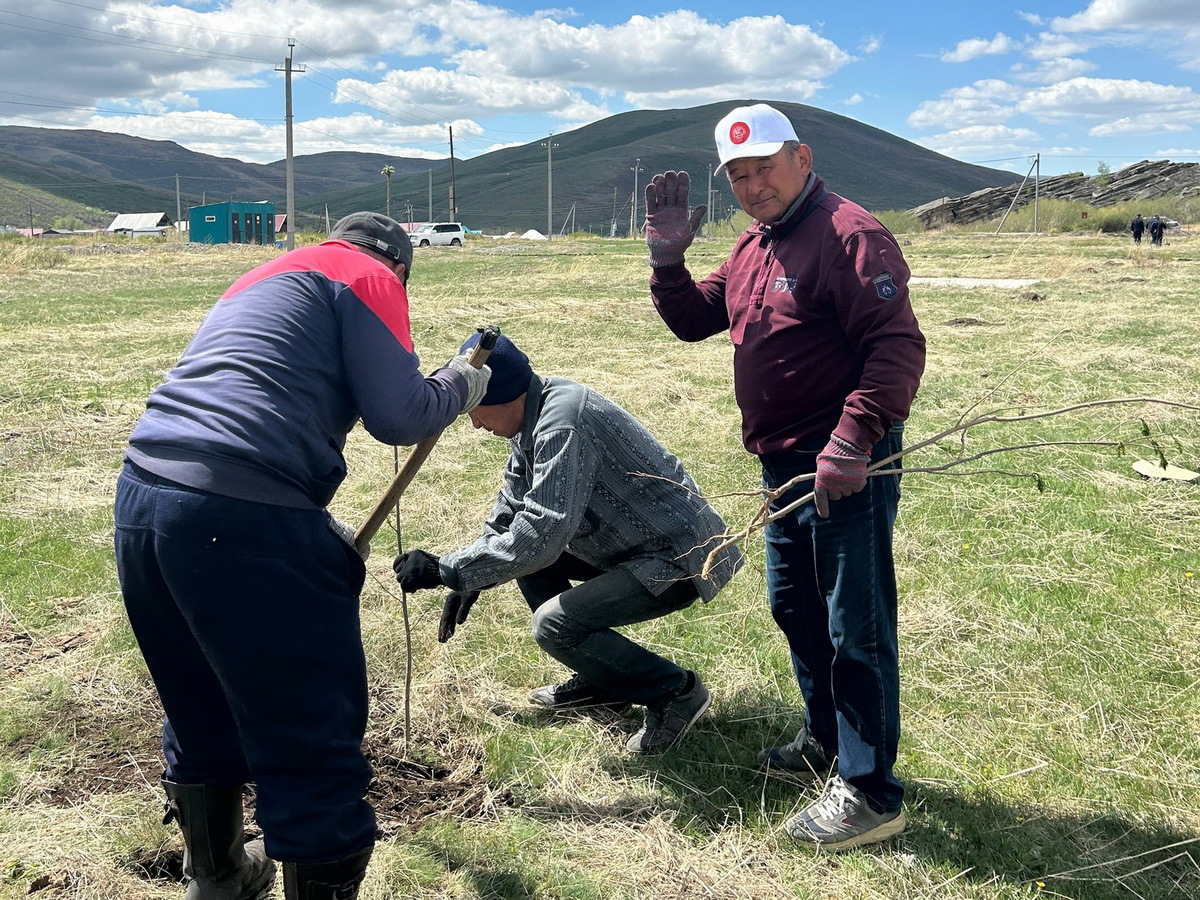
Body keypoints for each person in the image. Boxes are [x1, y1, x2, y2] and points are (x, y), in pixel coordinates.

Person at [113, 212, 490, 900]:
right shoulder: (370, 274)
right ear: (402, 266)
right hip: (241, 511)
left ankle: (220, 876)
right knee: (309, 730)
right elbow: (399, 416)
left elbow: (260, 394)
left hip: (145, 495)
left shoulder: (268, 272)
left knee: (198, 694)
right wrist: (461, 382)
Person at [642, 103, 926, 851]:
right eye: (737, 174)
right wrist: (668, 264)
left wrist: (853, 440)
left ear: (801, 158)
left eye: (764, 166)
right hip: (782, 467)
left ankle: (870, 794)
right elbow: (697, 318)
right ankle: (826, 743)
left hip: (844, 464)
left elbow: (896, 349)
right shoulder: (757, 244)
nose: (752, 183)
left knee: (854, 626)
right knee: (796, 607)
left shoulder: (848, 234)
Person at [393, 333, 744, 753]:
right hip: (628, 547)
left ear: (505, 395)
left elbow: (543, 533)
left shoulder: (563, 422)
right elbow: (512, 508)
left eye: (475, 410)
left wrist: (447, 569)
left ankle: (675, 692)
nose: (475, 424)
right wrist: (471, 575)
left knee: (555, 625)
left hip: (680, 557)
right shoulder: (535, 415)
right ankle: (607, 684)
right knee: (530, 563)